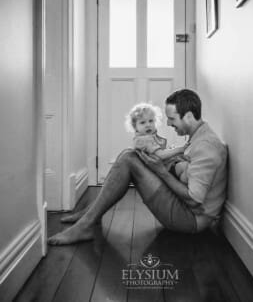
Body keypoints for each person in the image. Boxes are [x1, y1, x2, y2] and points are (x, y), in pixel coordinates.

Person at [48, 89, 228, 245]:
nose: (167, 124)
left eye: (171, 118)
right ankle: (89, 215)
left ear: (188, 116)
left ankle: (86, 223)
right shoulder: (199, 136)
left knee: (128, 158)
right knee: (130, 155)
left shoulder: (206, 147)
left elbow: (194, 200)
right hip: (186, 208)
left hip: (190, 219)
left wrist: (160, 171)